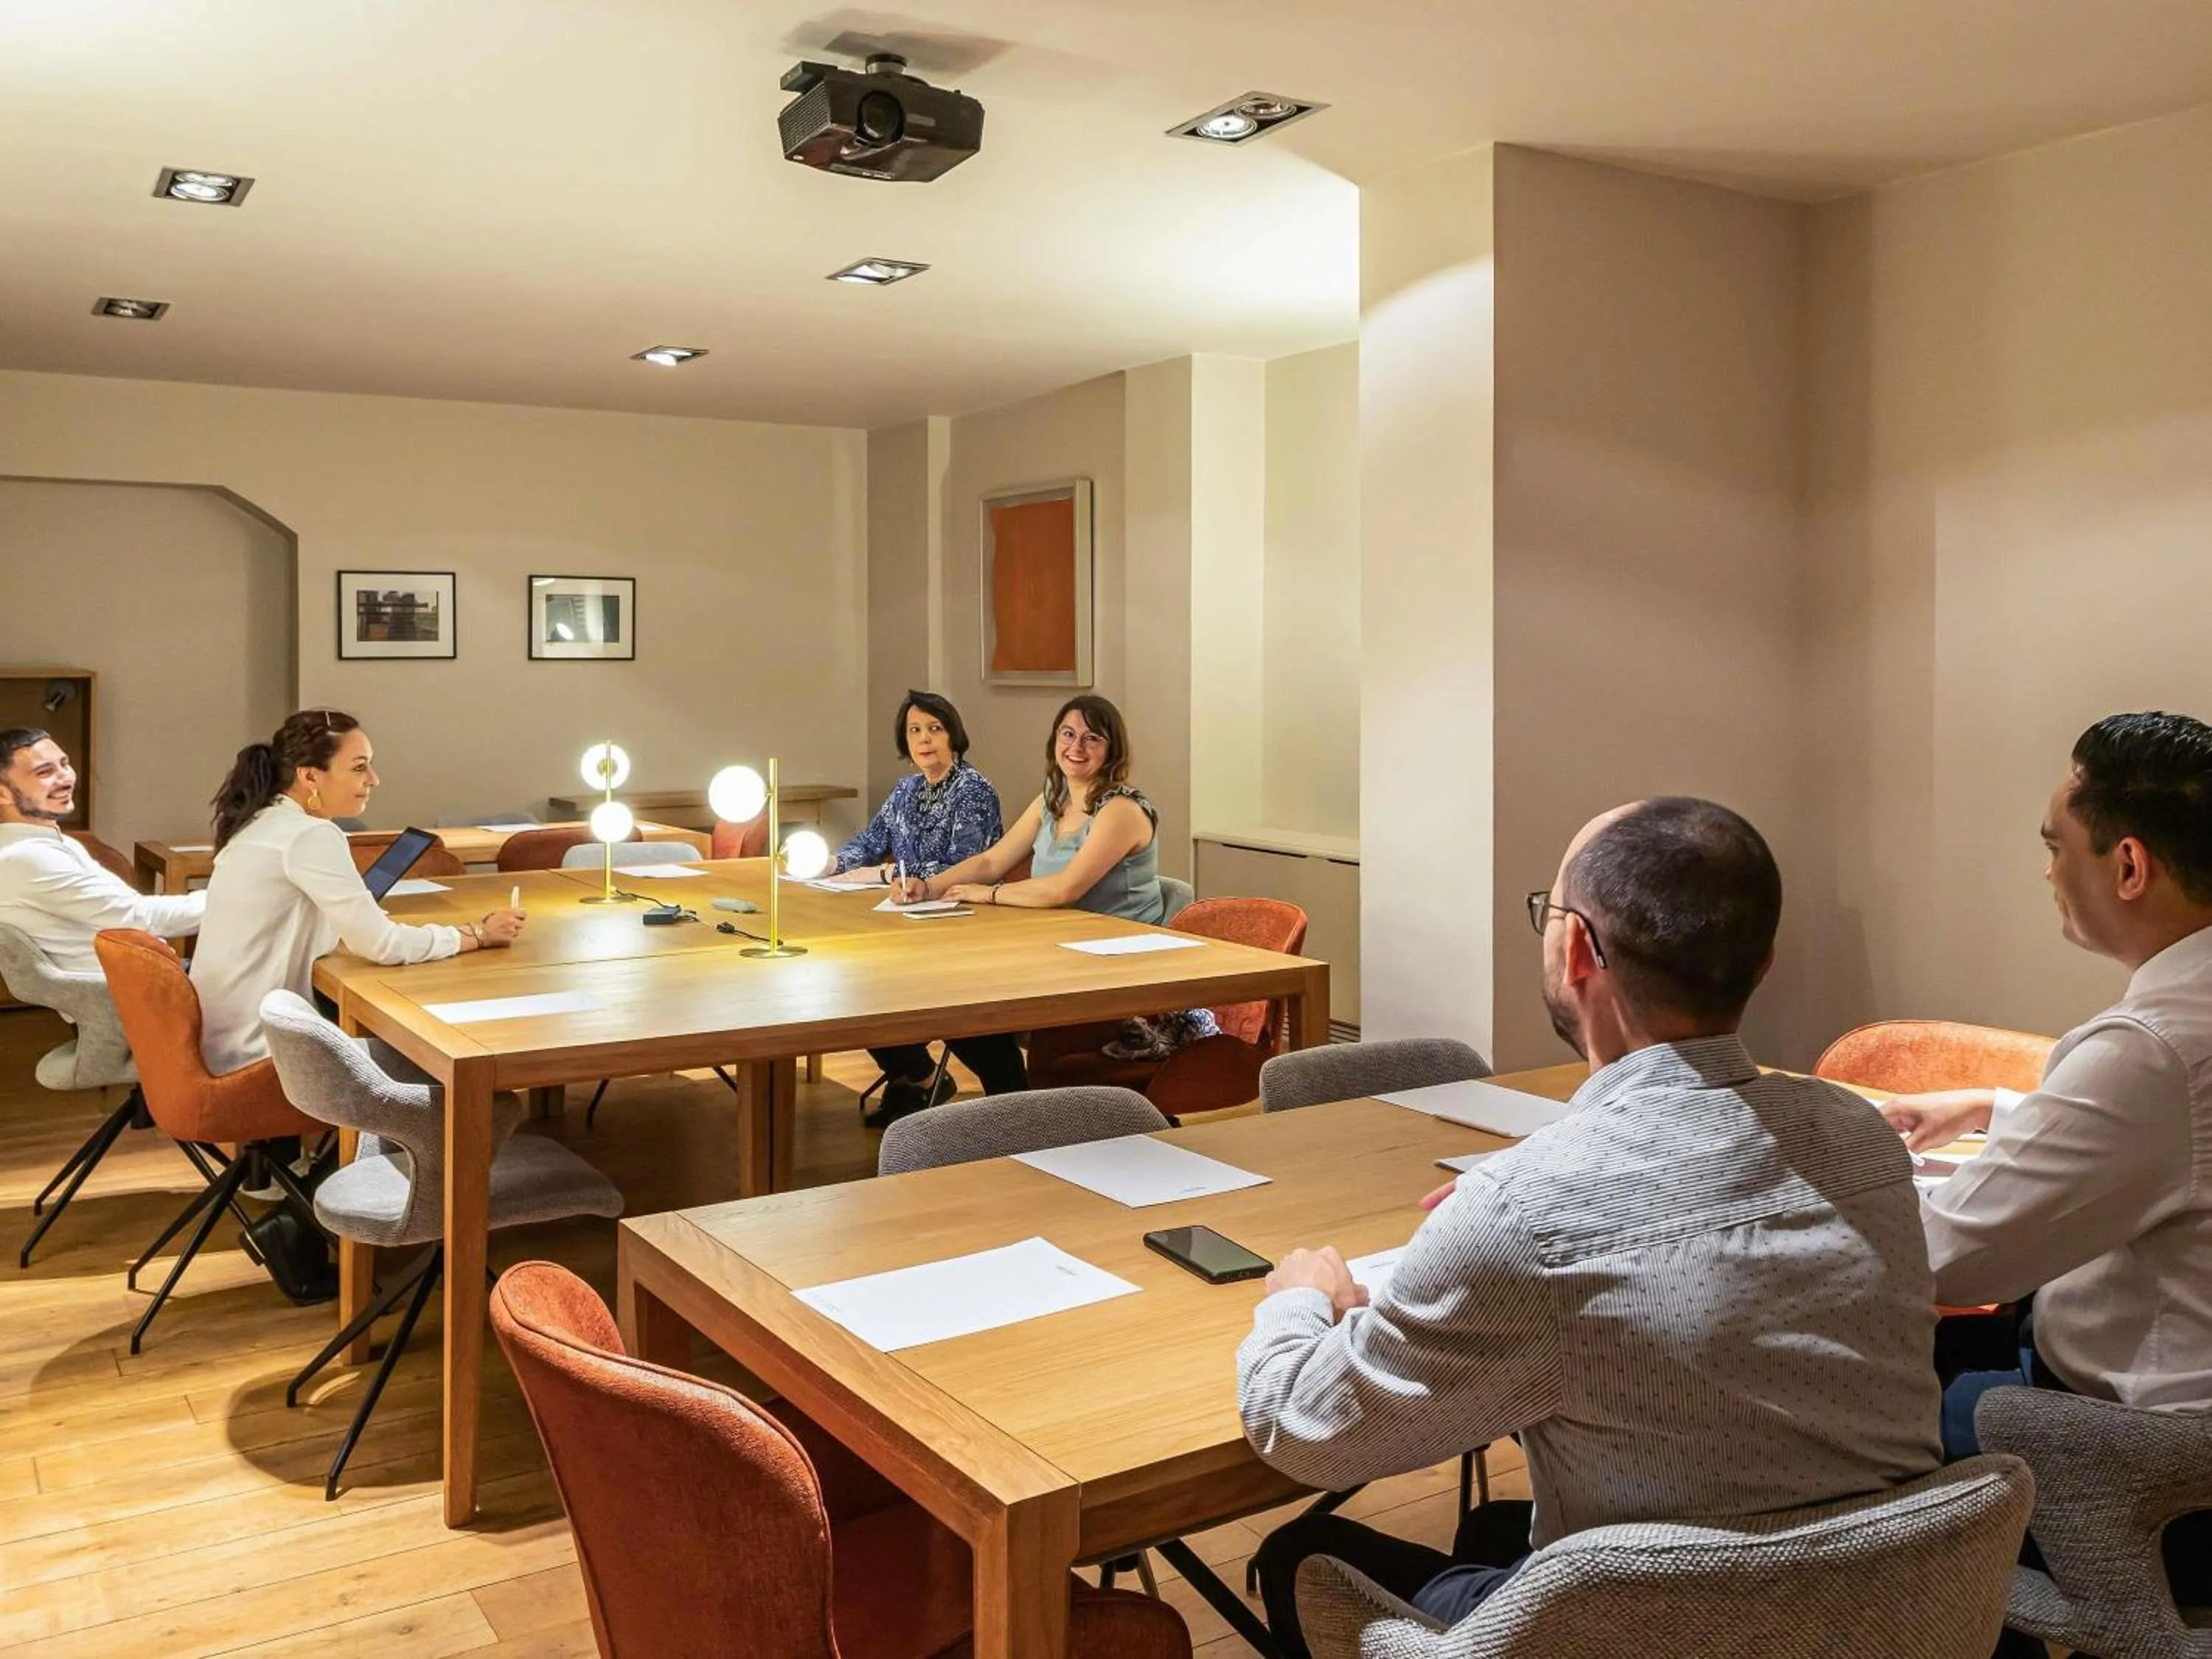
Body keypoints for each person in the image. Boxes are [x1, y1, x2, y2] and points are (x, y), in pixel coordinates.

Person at [1239, 798, 1941, 1658]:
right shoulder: (1861, 1138)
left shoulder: (1526, 1214)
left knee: (1302, 1551)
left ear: (1577, 949)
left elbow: (1299, 1427)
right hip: (1881, 1614)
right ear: (1760, 964)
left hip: (1653, 1634)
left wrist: (1300, 1302)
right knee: (1498, 1531)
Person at [1881, 711, 2212, 1619]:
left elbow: (1944, 1257)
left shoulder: (2152, 1050)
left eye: (2055, 844)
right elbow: (2176, 1150)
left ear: (2131, 865)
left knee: (1852, 1412)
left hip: (2144, 1481)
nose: (2047, 870)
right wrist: (1997, 1108)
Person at [188, 709, 527, 1074]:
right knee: (448, 1065)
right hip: (263, 1053)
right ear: (310, 776)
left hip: (222, 1040)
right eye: (359, 767)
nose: (374, 780)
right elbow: (381, 946)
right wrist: (477, 934)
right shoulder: (309, 835)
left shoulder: (261, 822)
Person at [823, 691, 1015, 1127]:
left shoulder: (973, 789)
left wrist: (887, 875)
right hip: (911, 920)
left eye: (935, 729)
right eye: (914, 730)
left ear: (954, 735)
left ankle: (1004, 1098)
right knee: (858, 984)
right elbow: (869, 843)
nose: (925, 739)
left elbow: (959, 865)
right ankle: (921, 1077)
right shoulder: (906, 790)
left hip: (964, 919)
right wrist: (833, 863)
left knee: (930, 996)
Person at [0, 727, 205, 971]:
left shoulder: (52, 844)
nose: (65, 779)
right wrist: (232, 899)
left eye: (65, 764)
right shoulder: (28, 859)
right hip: (136, 991)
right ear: (3, 794)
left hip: (154, 974)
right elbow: (138, 917)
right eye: (45, 772)